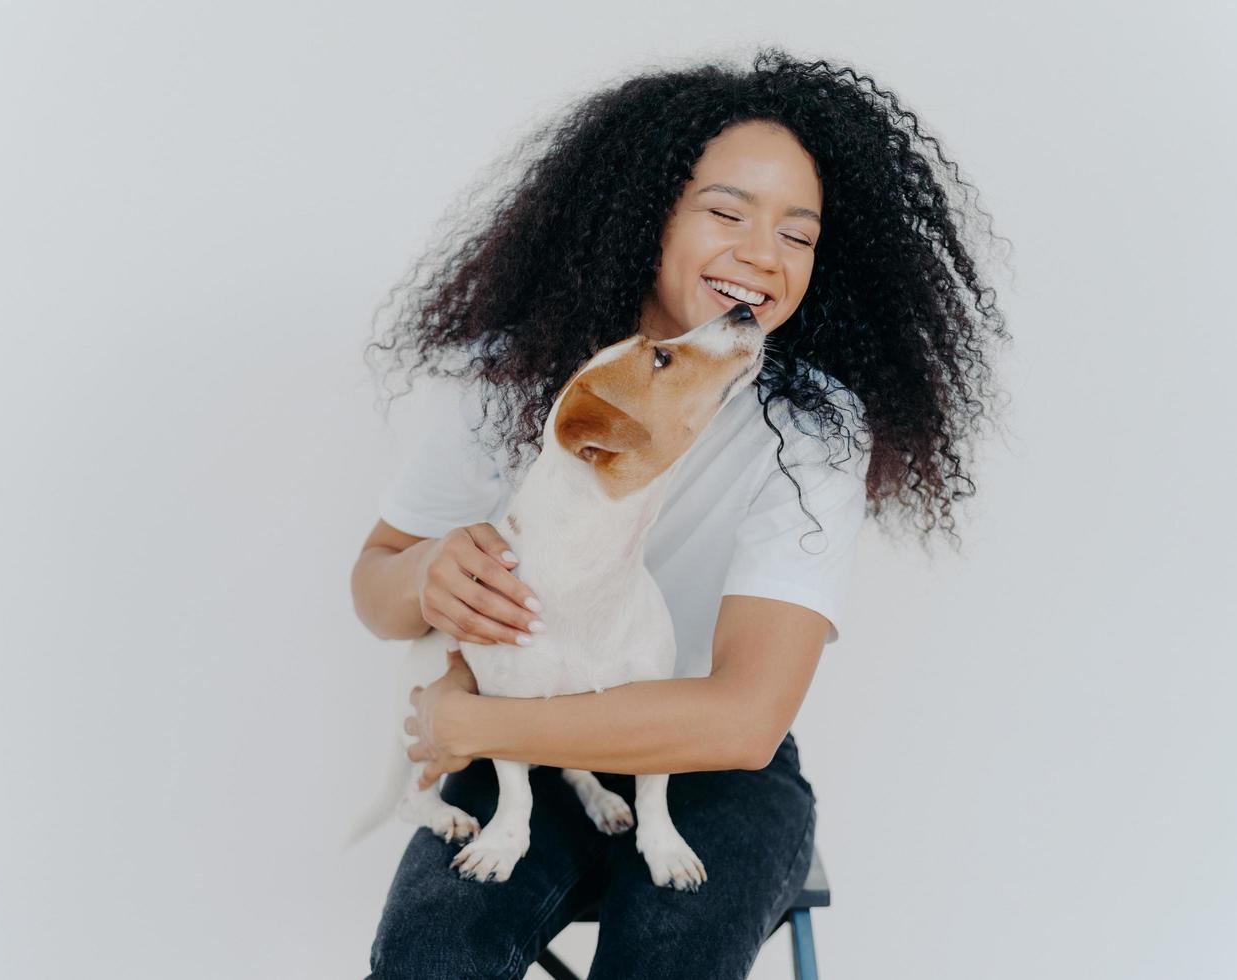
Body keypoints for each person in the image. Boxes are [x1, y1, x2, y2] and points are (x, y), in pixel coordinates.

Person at [350, 47, 1010, 979]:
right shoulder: (511, 376)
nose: (762, 253)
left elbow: (741, 722)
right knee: (429, 957)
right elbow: (376, 585)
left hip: (710, 774)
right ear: (647, 212)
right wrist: (426, 576)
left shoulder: (810, 428)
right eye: (727, 212)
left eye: (799, 234)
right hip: (523, 759)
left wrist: (477, 728)